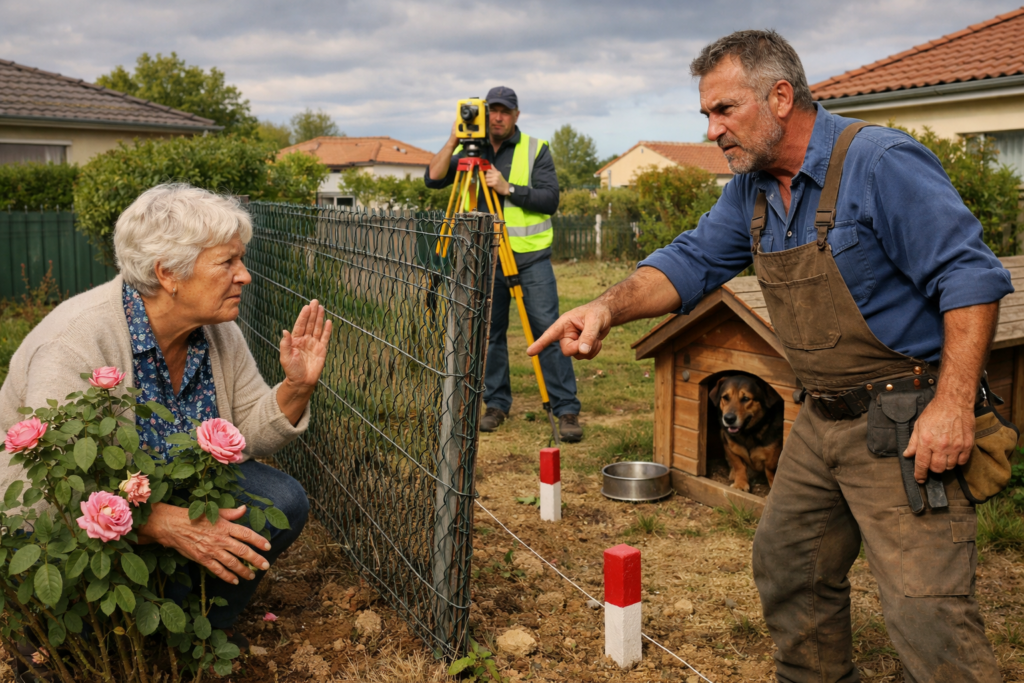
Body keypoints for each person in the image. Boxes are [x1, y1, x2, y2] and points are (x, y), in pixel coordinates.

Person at [530, 30, 1011, 683]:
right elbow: (690, 261)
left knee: (926, 612)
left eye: (724, 110)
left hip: (906, 419)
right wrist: (605, 308)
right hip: (819, 416)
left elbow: (970, 278)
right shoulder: (751, 191)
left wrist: (952, 406)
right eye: (707, 114)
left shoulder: (880, 163)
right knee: (789, 565)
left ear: (780, 97)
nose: (712, 131)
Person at [0, 183, 333, 639]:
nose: (244, 276)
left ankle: (192, 634)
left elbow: (250, 434)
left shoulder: (216, 331)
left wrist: (297, 387)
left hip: (165, 488)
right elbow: (52, 486)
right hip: (60, 515)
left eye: (241, 260)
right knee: (79, 620)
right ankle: (87, 635)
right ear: (168, 273)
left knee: (281, 500)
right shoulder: (75, 343)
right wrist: (157, 520)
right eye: (227, 262)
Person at [425, 86, 583, 442]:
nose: (497, 117)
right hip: (484, 260)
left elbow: (550, 199)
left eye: (504, 111)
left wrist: (508, 188)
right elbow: (433, 178)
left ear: (516, 115)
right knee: (490, 335)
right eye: (492, 110)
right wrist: (453, 140)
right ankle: (496, 404)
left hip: (530, 259)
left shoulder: (535, 149)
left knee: (548, 331)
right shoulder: (471, 151)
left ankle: (566, 408)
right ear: (483, 114)